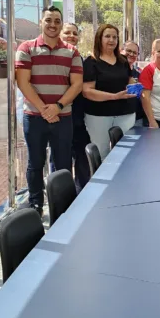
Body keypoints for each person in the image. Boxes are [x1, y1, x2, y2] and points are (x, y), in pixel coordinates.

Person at [15, 6, 83, 213]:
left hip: (63, 117)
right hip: (34, 117)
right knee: (35, 162)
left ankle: (62, 205)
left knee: (63, 164)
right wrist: (44, 109)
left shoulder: (72, 52)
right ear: (41, 22)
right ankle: (36, 203)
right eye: (49, 20)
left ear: (61, 24)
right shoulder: (26, 48)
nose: (53, 25)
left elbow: (77, 84)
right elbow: (23, 82)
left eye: (57, 21)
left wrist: (58, 107)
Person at [82, 24, 137, 156]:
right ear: (99, 38)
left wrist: (136, 86)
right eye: (107, 36)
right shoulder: (91, 62)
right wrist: (114, 96)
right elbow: (87, 91)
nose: (111, 40)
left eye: (115, 37)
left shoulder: (123, 61)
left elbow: (129, 80)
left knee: (126, 153)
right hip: (99, 115)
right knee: (102, 152)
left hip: (126, 113)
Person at [61, 22, 91, 191]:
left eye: (74, 33)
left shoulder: (80, 59)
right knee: (61, 161)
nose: (71, 36)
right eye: (67, 33)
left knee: (82, 159)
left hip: (79, 118)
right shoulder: (53, 58)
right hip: (59, 116)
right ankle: (62, 196)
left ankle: (82, 193)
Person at [123, 41, 146, 126]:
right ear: (122, 51)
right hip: (118, 116)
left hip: (137, 118)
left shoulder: (139, 73)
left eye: (135, 53)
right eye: (128, 51)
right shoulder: (113, 71)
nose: (131, 54)